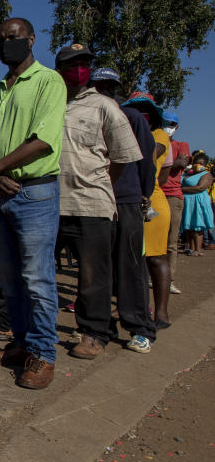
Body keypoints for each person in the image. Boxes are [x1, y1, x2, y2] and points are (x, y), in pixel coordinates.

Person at [0, 17, 66, 389]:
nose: (5, 44)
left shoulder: (49, 81)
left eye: (13, 38)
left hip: (35, 193)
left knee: (37, 277)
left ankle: (44, 355)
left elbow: (43, 140)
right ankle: (20, 344)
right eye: (0, 39)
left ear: (31, 39)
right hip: (0, 194)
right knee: (10, 277)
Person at [53, 48, 142, 361]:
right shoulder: (49, 102)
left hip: (92, 205)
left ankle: (93, 334)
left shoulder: (105, 106)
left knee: (93, 277)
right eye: (71, 65)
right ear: (59, 68)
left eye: (83, 64)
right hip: (50, 203)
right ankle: (29, 328)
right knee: (37, 271)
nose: (79, 69)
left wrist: (97, 182)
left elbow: (120, 157)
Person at [89, 68, 157, 353]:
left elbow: (145, 160)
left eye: (110, 86)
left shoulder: (131, 118)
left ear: (117, 90)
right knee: (97, 267)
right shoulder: (85, 116)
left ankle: (140, 327)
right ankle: (100, 325)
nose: (105, 90)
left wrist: (143, 194)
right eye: (99, 85)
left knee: (130, 266)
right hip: (93, 200)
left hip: (126, 199)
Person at [122, 92, 173, 329]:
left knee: (155, 258)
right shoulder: (124, 132)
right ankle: (140, 307)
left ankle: (161, 312)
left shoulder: (159, 134)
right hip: (130, 198)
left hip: (151, 201)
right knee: (133, 259)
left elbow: (151, 159)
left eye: (145, 110)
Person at [159, 112, 190, 293]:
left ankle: (168, 279)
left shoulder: (180, 145)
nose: (167, 126)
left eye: (170, 124)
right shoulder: (155, 141)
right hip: (155, 194)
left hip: (172, 196)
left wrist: (164, 162)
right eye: (164, 122)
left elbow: (181, 163)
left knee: (170, 241)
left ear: (176, 127)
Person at [180, 151, 214, 255]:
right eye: (196, 162)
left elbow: (200, 187)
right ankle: (190, 247)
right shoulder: (187, 173)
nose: (198, 165)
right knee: (189, 226)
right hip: (187, 201)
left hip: (198, 201)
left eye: (201, 163)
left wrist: (180, 189)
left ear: (205, 165)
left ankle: (198, 250)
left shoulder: (206, 175)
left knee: (197, 226)